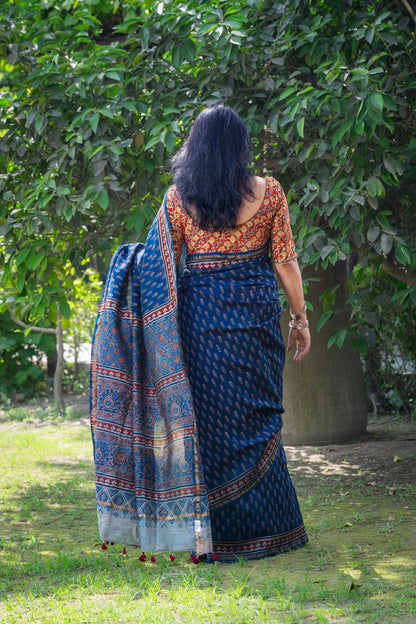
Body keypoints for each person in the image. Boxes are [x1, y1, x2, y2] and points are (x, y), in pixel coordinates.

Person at [90, 104, 310, 563]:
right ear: (240, 145)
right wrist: (300, 317)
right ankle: (273, 530)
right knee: (259, 420)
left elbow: (157, 263)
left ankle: (211, 536)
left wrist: (126, 266)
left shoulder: (178, 198)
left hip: (201, 321)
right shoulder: (270, 193)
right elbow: (285, 260)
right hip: (255, 318)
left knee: (209, 425)